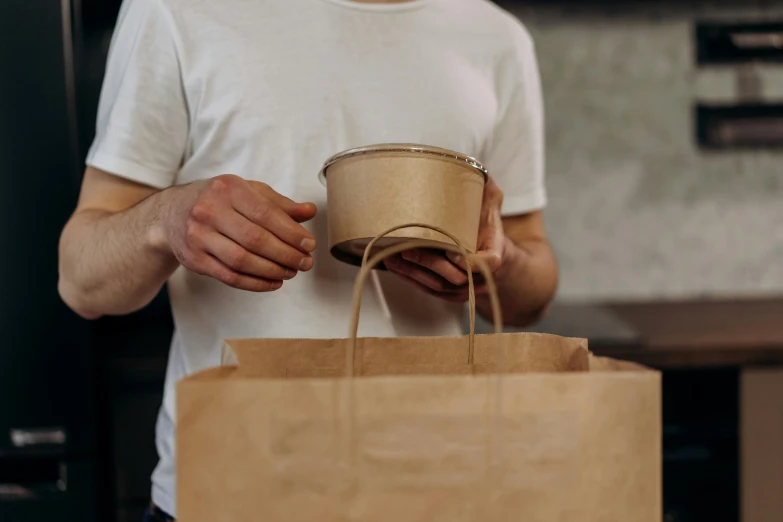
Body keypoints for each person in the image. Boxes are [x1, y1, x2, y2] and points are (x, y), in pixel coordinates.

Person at [58, 0, 558, 519]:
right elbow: (80, 282)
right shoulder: (174, 9)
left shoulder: (496, 36)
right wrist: (165, 220)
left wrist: (499, 265)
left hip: (439, 492)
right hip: (230, 496)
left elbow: (532, 291)